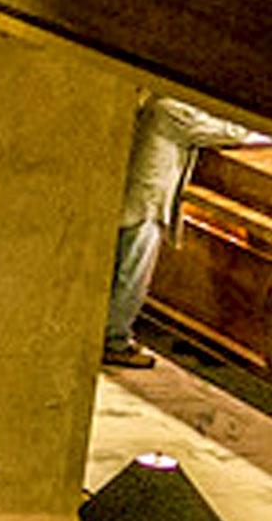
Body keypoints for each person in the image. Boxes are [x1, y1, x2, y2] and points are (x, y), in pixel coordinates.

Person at [108, 94, 266, 366]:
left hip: (140, 198)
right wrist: (260, 132)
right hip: (145, 202)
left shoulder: (160, 103)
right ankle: (115, 339)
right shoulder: (172, 109)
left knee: (127, 270)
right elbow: (223, 132)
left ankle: (113, 333)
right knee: (131, 275)